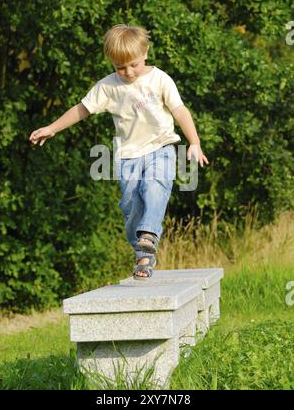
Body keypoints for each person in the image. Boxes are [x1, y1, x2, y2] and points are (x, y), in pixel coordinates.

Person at [29, 24, 209, 280]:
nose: (127, 72)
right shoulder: (108, 87)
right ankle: (141, 250)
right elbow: (82, 109)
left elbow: (179, 110)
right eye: (119, 67)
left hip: (162, 147)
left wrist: (194, 142)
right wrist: (52, 128)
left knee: (155, 186)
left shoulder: (160, 79)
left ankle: (148, 238)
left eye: (133, 65)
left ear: (145, 53)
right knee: (130, 203)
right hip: (128, 156)